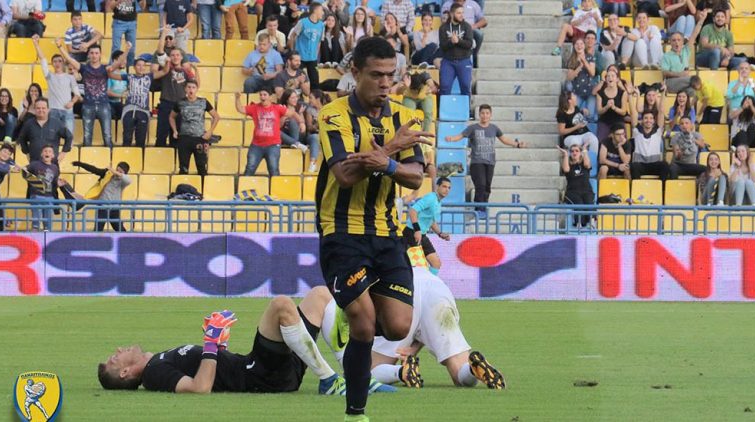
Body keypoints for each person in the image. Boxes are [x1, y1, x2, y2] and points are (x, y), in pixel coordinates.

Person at [316, 36, 432, 422]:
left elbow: (415, 177)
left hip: (386, 232)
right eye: (376, 75)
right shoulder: (332, 115)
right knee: (365, 325)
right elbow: (345, 175)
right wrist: (391, 149)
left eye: (390, 75)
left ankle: (345, 312)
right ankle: (356, 413)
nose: (385, 83)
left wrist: (386, 161)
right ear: (355, 72)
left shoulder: (404, 117)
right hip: (341, 231)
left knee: (397, 327)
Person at [97, 287, 347, 396]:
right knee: (281, 305)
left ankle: (354, 375)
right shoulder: (154, 373)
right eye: (115, 358)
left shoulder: (158, 361)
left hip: (268, 372)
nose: (118, 350)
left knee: (319, 295)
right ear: (125, 373)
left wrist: (218, 345)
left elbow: (214, 373)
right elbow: (200, 388)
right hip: (260, 375)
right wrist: (210, 341)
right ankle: (329, 380)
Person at [362, 247, 505, 389]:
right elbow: (435, 263)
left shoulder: (371, 242)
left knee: (366, 370)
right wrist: (414, 346)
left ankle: (401, 372)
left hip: (399, 288)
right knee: (459, 370)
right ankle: (472, 370)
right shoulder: (415, 239)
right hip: (435, 287)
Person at [445, 104, 525, 217]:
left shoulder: (494, 128)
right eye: (482, 113)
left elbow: (504, 139)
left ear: (490, 115)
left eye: (487, 113)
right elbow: (461, 135)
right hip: (477, 162)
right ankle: (479, 209)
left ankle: (483, 208)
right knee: (480, 185)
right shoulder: (473, 128)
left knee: (487, 187)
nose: (485, 115)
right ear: (479, 114)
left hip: (490, 162)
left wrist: (517, 144)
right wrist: (452, 138)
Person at [59, 40, 131, 147]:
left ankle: (110, 156)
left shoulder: (106, 69)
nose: (94, 55)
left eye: (96, 53)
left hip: (104, 105)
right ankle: (86, 157)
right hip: (88, 106)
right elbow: (69, 59)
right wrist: (60, 47)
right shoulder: (83, 68)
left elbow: (119, 62)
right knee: (87, 137)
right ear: (88, 54)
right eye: (92, 53)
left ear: (100, 54)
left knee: (107, 136)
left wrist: (127, 50)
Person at [235, 89, 294, 176]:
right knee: (249, 169)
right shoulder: (254, 107)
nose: (262, 97)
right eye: (261, 94)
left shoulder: (277, 108)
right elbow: (240, 109)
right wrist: (237, 98)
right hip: (256, 145)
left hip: (273, 145)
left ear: (270, 97)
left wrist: (283, 116)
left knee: (274, 170)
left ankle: (274, 186)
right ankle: (244, 185)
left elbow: (290, 113)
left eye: (265, 95)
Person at [33, 36, 82, 136]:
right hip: (53, 110)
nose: (57, 63)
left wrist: (72, 102)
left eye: (60, 61)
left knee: (69, 136)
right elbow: (43, 60)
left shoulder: (70, 77)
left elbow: (77, 94)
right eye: (55, 61)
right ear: (52, 64)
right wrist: (36, 44)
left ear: (63, 63)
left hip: (67, 110)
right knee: (52, 137)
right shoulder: (49, 76)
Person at [402, 177, 452, 274]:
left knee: (436, 263)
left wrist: (440, 233)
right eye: (444, 186)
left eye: (449, 188)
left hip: (422, 235)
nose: (447, 190)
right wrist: (417, 230)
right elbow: (413, 211)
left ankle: (429, 283)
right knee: (416, 267)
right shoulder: (430, 198)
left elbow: (431, 221)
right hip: (412, 233)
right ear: (437, 186)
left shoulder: (438, 201)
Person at [171, 80, 220, 176]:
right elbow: (171, 117)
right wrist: (174, 130)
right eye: (189, 87)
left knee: (202, 168)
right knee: (183, 168)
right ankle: (183, 185)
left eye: (193, 87)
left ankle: (203, 185)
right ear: (185, 89)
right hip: (184, 138)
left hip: (200, 138)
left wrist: (210, 131)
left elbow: (216, 117)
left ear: (197, 89)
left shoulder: (203, 102)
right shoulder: (180, 102)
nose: (191, 90)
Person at [67, 160, 132, 231]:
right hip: (103, 206)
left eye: (120, 171)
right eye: (117, 170)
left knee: (119, 228)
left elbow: (128, 180)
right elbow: (94, 169)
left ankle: (127, 238)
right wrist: (80, 164)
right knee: (98, 229)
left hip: (115, 208)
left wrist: (114, 171)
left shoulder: (123, 182)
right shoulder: (107, 174)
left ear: (125, 173)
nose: (117, 172)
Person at [154, 46, 199, 147]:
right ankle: (158, 154)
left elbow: (196, 85)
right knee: (161, 134)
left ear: (182, 57)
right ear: (169, 57)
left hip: (180, 105)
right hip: (165, 104)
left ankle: (174, 155)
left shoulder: (186, 72)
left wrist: (196, 70)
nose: (175, 57)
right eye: (173, 55)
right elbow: (160, 51)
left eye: (177, 55)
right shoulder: (165, 68)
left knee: (176, 135)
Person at [661, 12, 706, 93]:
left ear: (682, 42)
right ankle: (696, 83)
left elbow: (694, 34)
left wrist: (701, 20)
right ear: (670, 42)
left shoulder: (685, 51)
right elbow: (664, 73)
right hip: (671, 83)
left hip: (685, 82)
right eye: (674, 40)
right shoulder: (666, 56)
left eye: (679, 40)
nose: (676, 42)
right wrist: (679, 74)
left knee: (692, 91)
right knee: (694, 79)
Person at [18, 98, 73, 163]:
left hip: (52, 164)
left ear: (48, 109)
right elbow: (22, 138)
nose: (41, 110)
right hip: (34, 162)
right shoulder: (29, 124)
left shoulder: (56, 123)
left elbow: (69, 136)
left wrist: (63, 153)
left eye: (43, 108)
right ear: (34, 109)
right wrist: (27, 153)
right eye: (38, 108)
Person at [629, 89, 668, 180]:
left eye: (651, 118)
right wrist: (629, 94)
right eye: (646, 118)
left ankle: (662, 187)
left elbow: (661, 111)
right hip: (640, 165)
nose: (648, 120)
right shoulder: (637, 131)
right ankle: (637, 188)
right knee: (634, 166)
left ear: (654, 121)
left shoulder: (657, 131)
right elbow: (633, 112)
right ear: (642, 120)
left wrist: (663, 93)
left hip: (654, 165)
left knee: (665, 165)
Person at [22, 144, 59, 231]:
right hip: (36, 195)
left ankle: (47, 233)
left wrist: (59, 183)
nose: (47, 153)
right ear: (42, 154)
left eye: (49, 151)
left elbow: (54, 182)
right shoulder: (35, 164)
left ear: (53, 155)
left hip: (49, 196)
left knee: (48, 223)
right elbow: (24, 171)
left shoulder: (55, 168)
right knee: (36, 221)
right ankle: (35, 232)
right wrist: (23, 170)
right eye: (45, 151)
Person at [439, 3, 474, 96]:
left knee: (466, 86)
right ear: (451, 14)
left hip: (464, 60)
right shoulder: (443, 28)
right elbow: (442, 46)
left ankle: (466, 105)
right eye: (459, 13)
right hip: (448, 61)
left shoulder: (467, 26)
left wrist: (458, 41)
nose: (462, 15)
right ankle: (444, 105)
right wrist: (451, 42)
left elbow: (469, 44)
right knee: (444, 86)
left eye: (462, 12)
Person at [288, 2, 325, 90]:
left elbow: (319, 41)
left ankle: (315, 97)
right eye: (321, 10)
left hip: (312, 58)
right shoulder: (302, 22)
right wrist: (293, 52)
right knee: (296, 82)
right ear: (315, 11)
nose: (323, 13)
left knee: (315, 82)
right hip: (300, 57)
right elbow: (293, 36)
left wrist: (316, 55)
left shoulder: (321, 25)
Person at [440, 0, 486, 67]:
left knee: (479, 34)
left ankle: (474, 55)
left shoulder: (473, 4)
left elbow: (484, 21)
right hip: (452, 28)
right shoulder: (447, 4)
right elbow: (443, 21)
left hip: (470, 29)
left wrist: (473, 26)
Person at [559, 143, 594, 228]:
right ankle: (579, 223)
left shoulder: (584, 164)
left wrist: (584, 150)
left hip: (586, 191)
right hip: (572, 192)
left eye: (577, 151)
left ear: (580, 153)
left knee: (589, 204)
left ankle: (591, 222)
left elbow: (587, 164)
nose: (574, 153)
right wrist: (566, 155)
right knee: (579, 205)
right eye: (572, 151)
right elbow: (566, 170)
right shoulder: (568, 165)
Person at [121, 58, 153, 147]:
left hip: (143, 110)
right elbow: (111, 74)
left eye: (143, 65)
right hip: (129, 109)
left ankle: (140, 155)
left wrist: (167, 61)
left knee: (141, 139)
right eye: (139, 65)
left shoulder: (149, 77)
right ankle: (125, 154)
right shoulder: (129, 76)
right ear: (134, 67)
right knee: (127, 137)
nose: (141, 67)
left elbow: (164, 71)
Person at [565, 38, 597, 123]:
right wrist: (579, 67)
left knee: (590, 115)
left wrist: (584, 61)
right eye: (577, 44)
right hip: (577, 91)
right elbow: (569, 77)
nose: (579, 46)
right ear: (574, 46)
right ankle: (581, 113)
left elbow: (592, 73)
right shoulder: (571, 59)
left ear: (584, 45)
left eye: (581, 44)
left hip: (590, 90)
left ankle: (582, 115)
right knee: (573, 114)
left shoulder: (590, 57)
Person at [594, 67, 628, 143]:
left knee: (622, 141)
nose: (610, 78)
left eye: (613, 76)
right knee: (601, 141)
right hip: (604, 121)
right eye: (608, 76)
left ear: (617, 79)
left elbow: (623, 112)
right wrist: (606, 107)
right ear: (606, 79)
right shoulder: (600, 93)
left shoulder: (623, 93)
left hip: (618, 120)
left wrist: (614, 108)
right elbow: (599, 111)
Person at [106, 0, 143, 66]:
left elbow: (142, 6)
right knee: (116, 47)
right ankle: (112, 68)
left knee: (131, 48)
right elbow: (110, 7)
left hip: (132, 22)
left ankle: (130, 68)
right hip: (118, 22)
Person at [0, 144, 20, 232]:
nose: (5, 154)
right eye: (4, 151)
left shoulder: (6, 165)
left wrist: (15, 165)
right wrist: (11, 167)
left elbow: (3, 168)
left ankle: (0, 234)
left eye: (8, 154)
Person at [304, 89, 329, 173]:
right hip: (313, 135)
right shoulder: (309, 110)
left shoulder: (327, 109)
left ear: (317, 99)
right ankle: (312, 163)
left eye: (311, 98)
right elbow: (309, 128)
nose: (309, 100)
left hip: (325, 134)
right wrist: (318, 123)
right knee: (315, 137)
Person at [108, 50, 129, 121]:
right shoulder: (109, 73)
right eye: (122, 60)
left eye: (125, 59)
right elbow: (107, 92)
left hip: (121, 103)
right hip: (109, 103)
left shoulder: (125, 74)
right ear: (115, 60)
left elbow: (128, 88)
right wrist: (121, 95)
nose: (125, 62)